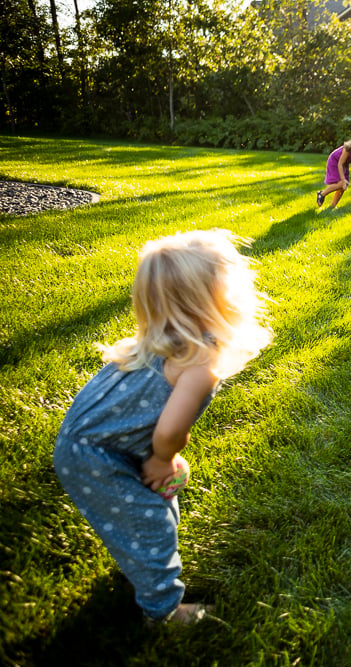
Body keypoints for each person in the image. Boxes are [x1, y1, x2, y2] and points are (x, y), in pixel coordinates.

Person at [53, 229, 272, 624]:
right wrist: (161, 459)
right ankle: (164, 611)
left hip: (97, 441)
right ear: (219, 296)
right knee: (151, 523)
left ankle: (140, 564)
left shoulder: (162, 338)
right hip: (94, 457)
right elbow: (170, 431)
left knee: (152, 507)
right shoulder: (199, 361)